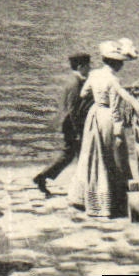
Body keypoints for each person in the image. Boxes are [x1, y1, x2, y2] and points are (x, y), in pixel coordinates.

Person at [73, 39, 139, 218]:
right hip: (108, 117)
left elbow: (83, 93)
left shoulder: (94, 74)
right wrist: (119, 132)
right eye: (121, 63)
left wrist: (96, 98)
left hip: (95, 114)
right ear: (117, 63)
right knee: (112, 157)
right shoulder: (114, 80)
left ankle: (86, 197)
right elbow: (116, 108)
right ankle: (109, 203)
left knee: (93, 155)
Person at [33, 52, 92, 196]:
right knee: (73, 154)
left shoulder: (74, 81)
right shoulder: (75, 84)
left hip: (69, 124)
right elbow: (72, 109)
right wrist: (77, 130)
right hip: (71, 125)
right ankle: (44, 177)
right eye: (87, 66)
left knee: (73, 154)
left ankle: (46, 177)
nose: (89, 68)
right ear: (80, 67)